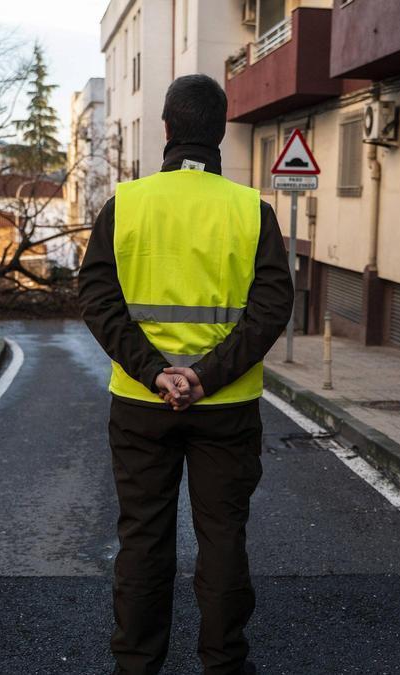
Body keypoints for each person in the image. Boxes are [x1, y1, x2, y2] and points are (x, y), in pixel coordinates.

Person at [79, 73, 294, 675]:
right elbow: (271, 308)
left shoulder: (127, 205)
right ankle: (224, 663)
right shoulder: (253, 212)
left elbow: (97, 300)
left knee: (143, 539)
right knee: (223, 537)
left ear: (167, 130)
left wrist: (155, 373)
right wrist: (205, 376)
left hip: (141, 407)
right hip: (226, 408)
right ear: (221, 132)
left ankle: (136, 665)